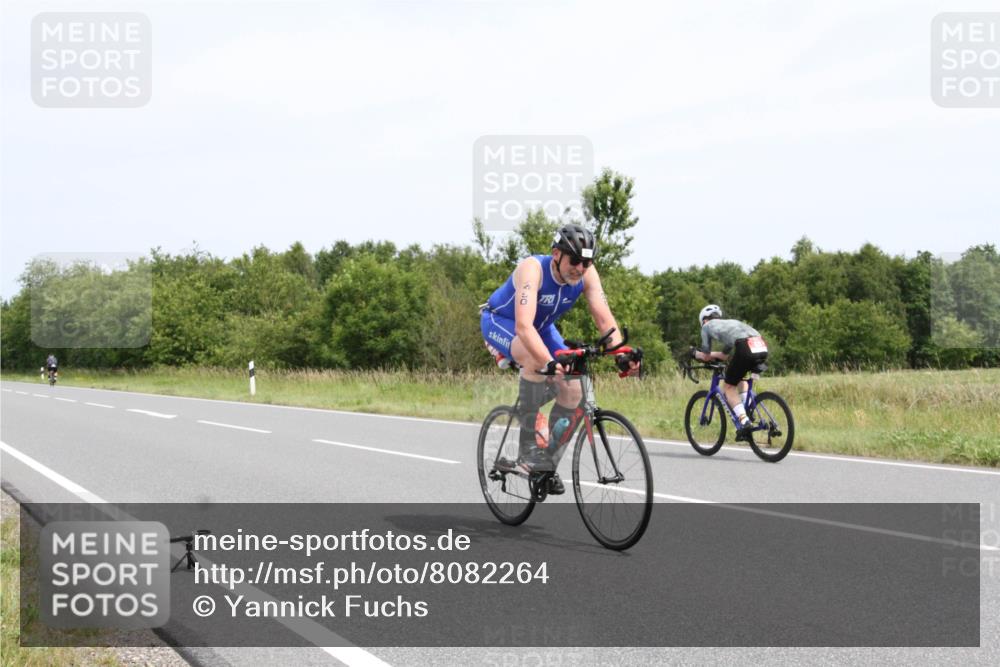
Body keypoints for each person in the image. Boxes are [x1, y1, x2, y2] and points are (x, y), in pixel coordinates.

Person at [480, 223, 640, 494]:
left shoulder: (587, 275)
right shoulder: (533, 269)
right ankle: (528, 448)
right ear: (556, 254)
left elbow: (603, 318)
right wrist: (548, 363)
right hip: (503, 322)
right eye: (575, 261)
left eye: (587, 262)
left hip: (541, 328)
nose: (580, 268)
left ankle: (546, 464)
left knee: (574, 386)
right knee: (536, 361)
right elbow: (524, 328)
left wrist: (621, 353)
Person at [691, 305, 768, 441]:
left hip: (745, 346)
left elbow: (706, 356)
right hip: (760, 344)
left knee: (728, 387)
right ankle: (747, 411)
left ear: (704, 320)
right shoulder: (729, 325)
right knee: (739, 379)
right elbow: (724, 356)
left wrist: (694, 353)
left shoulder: (706, 327)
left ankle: (744, 421)